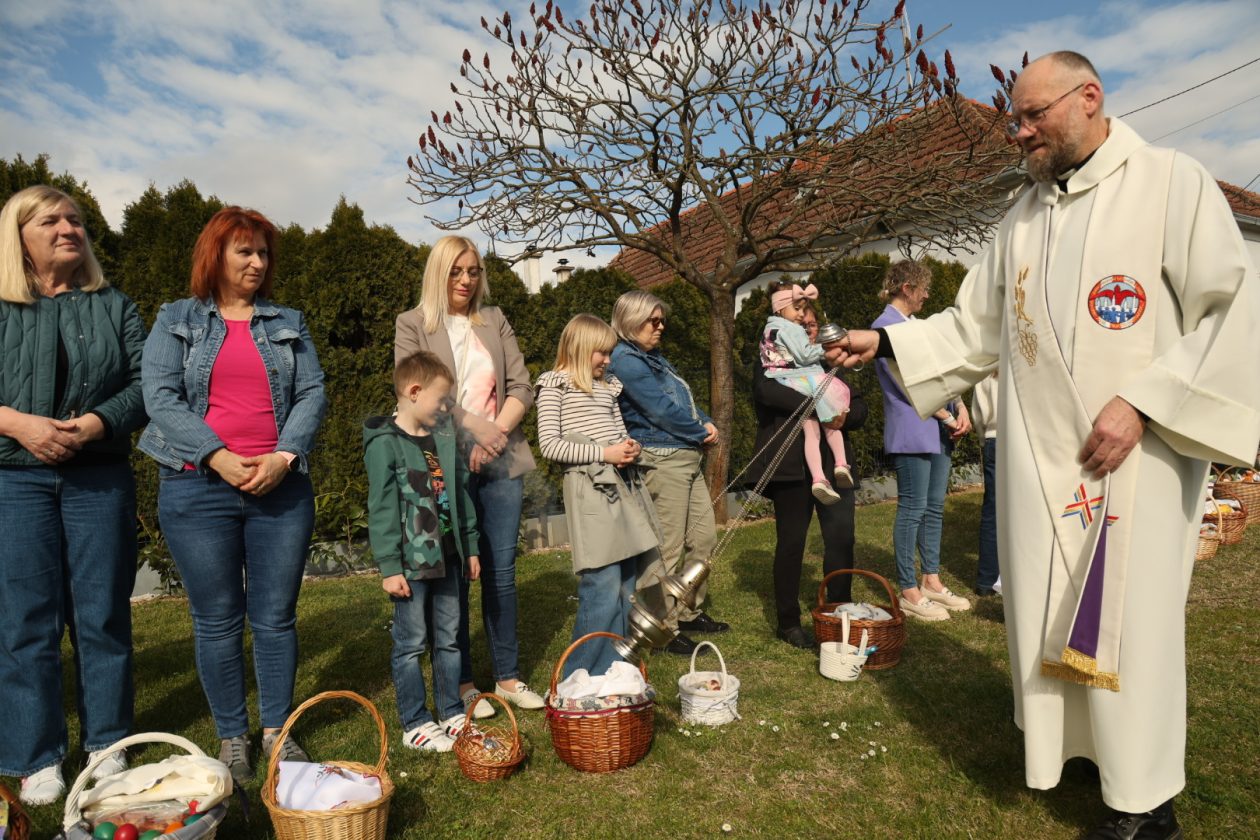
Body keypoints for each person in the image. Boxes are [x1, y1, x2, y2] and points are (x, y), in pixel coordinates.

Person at [836, 51, 1260, 838]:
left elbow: (1231, 310)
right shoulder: (1022, 217)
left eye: (1033, 115)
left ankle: (1145, 806)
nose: (1019, 132)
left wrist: (1143, 403)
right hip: (1041, 467)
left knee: (1132, 622)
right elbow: (974, 329)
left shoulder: (1171, 183)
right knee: (1050, 611)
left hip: (1136, 460)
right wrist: (884, 341)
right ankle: (1087, 756)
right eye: (1015, 119)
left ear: (1089, 97)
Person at [139, 206, 327, 785]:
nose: (257, 262)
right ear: (215, 255)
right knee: (217, 619)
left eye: (263, 252)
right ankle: (232, 739)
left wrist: (284, 456)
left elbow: (313, 391)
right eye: (244, 251)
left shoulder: (287, 321)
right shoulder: (176, 318)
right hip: (197, 487)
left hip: (280, 489)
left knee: (275, 618)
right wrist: (216, 455)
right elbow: (160, 397)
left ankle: (276, 733)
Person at [0, 186, 147, 805]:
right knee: (24, 618)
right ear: (18, 236)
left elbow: (144, 384)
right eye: (51, 220)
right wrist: (19, 424)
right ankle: (36, 757)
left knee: (103, 614)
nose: (68, 229)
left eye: (76, 220)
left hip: (97, 477)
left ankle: (108, 745)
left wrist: (95, 424)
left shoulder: (114, 306)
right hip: (14, 478)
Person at [394, 235, 543, 716]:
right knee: (455, 574)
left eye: (473, 271)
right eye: (456, 271)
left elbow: (522, 386)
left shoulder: (494, 319)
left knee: (501, 572)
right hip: (443, 464)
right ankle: (461, 684)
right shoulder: (412, 325)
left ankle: (508, 677)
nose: (465, 280)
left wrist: (494, 436)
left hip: (501, 460)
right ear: (438, 273)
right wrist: (476, 429)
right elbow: (416, 392)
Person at [364, 352, 481, 752]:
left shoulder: (443, 438)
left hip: (449, 559)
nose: (446, 408)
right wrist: (389, 567)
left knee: (449, 639)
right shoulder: (385, 444)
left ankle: (450, 712)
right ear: (414, 392)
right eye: (441, 400)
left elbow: (460, 495)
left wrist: (470, 546)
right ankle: (415, 721)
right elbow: (381, 508)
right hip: (411, 567)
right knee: (411, 644)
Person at [536, 314, 661, 677]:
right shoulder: (555, 384)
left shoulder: (607, 387)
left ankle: (615, 669)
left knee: (625, 581)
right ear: (579, 348)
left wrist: (630, 447)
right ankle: (579, 674)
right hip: (589, 488)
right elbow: (550, 445)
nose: (608, 360)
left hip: (621, 484)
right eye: (601, 353)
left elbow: (619, 432)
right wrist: (604, 453)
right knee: (602, 580)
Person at [607, 290, 728, 657]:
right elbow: (659, 409)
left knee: (704, 539)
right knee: (668, 549)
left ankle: (687, 612)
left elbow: (682, 400)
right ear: (631, 321)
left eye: (662, 321)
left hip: (685, 457)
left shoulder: (654, 357)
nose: (660, 327)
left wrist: (705, 420)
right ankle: (660, 626)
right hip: (662, 459)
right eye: (653, 321)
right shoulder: (626, 360)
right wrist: (699, 430)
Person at [747, 301, 868, 650]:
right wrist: (818, 404)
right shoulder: (773, 356)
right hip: (792, 469)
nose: (810, 330)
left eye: (814, 325)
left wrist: (846, 416)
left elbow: (859, 405)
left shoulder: (831, 362)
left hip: (835, 467)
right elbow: (765, 392)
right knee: (791, 543)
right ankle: (788, 622)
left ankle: (838, 609)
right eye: (804, 325)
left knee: (841, 539)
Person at [871, 260, 973, 622]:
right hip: (914, 428)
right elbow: (906, 381)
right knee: (912, 508)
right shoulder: (883, 327)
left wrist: (960, 405)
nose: (927, 295)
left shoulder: (919, 326)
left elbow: (942, 370)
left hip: (939, 428)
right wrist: (946, 415)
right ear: (907, 288)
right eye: (924, 288)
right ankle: (909, 590)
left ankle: (931, 580)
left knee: (934, 508)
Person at [760, 280, 853, 503]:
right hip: (806, 378)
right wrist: (826, 348)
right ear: (780, 308)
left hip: (786, 380)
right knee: (831, 421)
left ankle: (819, 479)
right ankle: (841, 464)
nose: (801, 315)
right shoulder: (789, 329)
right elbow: (804, 355)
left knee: (811, 432)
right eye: (797, 308)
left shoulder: (770, 329)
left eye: (803, 309)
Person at [971, 372, 1001, 597]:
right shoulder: (1028, 360)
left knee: (992, 511)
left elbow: (977, 413)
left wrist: (985, 439)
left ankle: (986, 580)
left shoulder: (986, 364)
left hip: (994, 438)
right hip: (1025, 438)